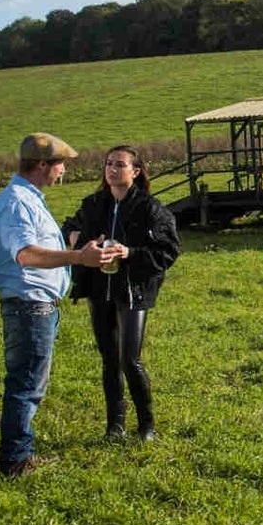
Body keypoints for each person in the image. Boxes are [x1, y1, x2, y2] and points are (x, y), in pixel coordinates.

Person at [0, 132, 119, 477]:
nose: (63, 171)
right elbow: (26, 254)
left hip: (37, 304)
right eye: (60, 164)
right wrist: (79, 257)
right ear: (42, 164)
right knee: (27, 383)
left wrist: (80, 250)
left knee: (29, 381)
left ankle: (17, 452)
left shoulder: (28, 198)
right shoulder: (17, 203)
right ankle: (16, 459)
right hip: (29, 305)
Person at [63, 145, 181, 442]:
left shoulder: (150, 208)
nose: (112, 170)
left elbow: (168, 250)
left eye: (119, 165)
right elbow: (71, 226)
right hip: (99, 288)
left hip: (133, 290)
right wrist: (75, 237)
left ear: (135, 171)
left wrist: (128, 252)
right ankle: (115, 426)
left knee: (130, 358)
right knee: (109, 359)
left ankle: (147, 426)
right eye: (108, 164)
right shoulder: (94, 204)